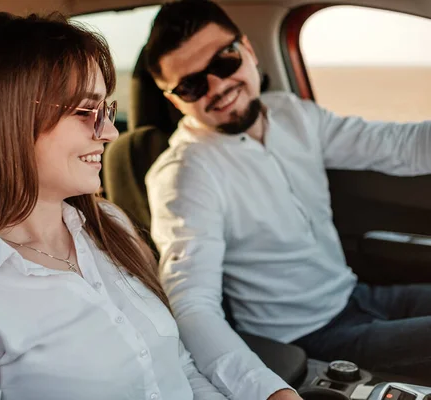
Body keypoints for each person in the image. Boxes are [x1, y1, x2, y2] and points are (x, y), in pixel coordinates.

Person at [0, 12, 235, 400]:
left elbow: (179, 369)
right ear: (7, 119)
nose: (109, 132)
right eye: (86, 111)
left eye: (106, 109)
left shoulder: (110, 225)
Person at [144, 0, 431, 395]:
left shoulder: (292, 114)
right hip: (310, 337)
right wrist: (266, 390)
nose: (217, 87)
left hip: (356, 293)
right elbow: (192, 305)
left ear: (247, 48)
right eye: (191, 85)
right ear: (175, 100)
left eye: (224, 61)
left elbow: (400, 146)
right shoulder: (186, 174)